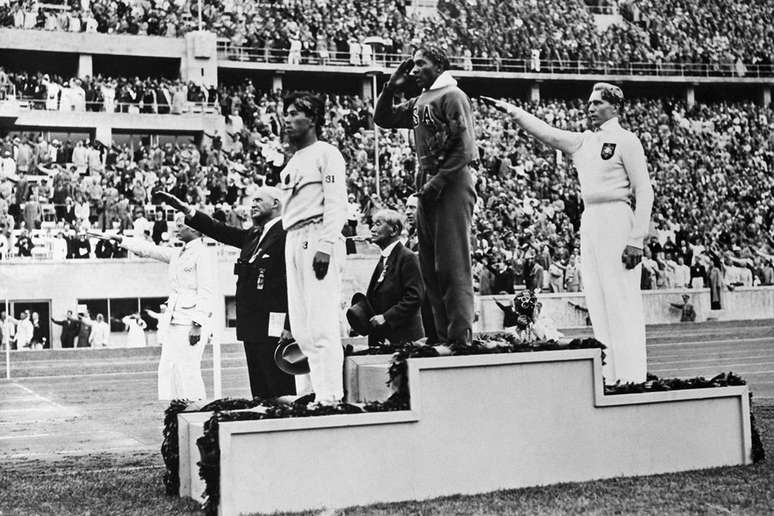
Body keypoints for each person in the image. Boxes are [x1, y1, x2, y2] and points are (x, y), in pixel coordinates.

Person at [483, 82, 654, 384]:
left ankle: (632, 375)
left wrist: (636, 239)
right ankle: (610, 373)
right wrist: (512, 110)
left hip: (617, 215)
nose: (590, 109)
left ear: (614, 107)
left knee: (620, 298)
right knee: (598, 300)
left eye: (597, 103)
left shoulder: (627, 141)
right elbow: (546, 132)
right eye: (589, 104)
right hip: (591, 219)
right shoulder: (583, 141)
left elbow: (644, 190)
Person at [374, 45, 478, 348]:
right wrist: (391, 86)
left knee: (452, 264)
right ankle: (439, 335)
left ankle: (459, 338)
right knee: (430, 266)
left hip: (451, 181)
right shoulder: (421, 99)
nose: (415, 69)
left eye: (421, 63)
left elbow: (465, 147)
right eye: (413, 65)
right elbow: (385, 118)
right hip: (428, 183)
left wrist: (438, 181)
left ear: (439, 65)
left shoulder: (452, 96)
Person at [156, 187, 296, 400]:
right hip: (253, 326)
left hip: (275, 326)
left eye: (259, 200)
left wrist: (290, 325)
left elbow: (293, 282)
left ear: (276, 203)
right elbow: (219, 230)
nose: (253, 204)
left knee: (280, 390)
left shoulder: (287, 234)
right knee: (260, 393)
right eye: (252, 201)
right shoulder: (253, 234)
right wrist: (187, 211)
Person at [93, 214, 216, 401]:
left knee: (188, 369)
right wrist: (121, 240)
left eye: (180, 225)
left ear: (193, 229)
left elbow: (207, 291)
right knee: (167, 368)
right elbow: (149, 250)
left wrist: (197, 324)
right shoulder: (178, 253)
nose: (176, 229)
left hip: (190, 321)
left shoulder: (203, 253)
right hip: (174, 319)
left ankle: (197, 412)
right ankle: (173, 410)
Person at [279, 91, 348, 405]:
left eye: (297, 113)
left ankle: (330, 394)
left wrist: (326, 243)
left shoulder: (327, 154)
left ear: (314, 119)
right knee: (302, 328)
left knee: (321, 323)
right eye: (287, 113)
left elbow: (336, 201)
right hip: (292, 237)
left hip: (315, 234)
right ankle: (309, 393)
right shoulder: (293, 160)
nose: (289, 119)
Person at [362, 209, 424, 347]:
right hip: (383, 340)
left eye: (378, 224)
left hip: (404, 340)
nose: (372, 229)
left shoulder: (408, 258)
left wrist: (386, 317)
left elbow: (415, 297)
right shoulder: (384, 259)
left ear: (394, 230)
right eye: (372, 224)